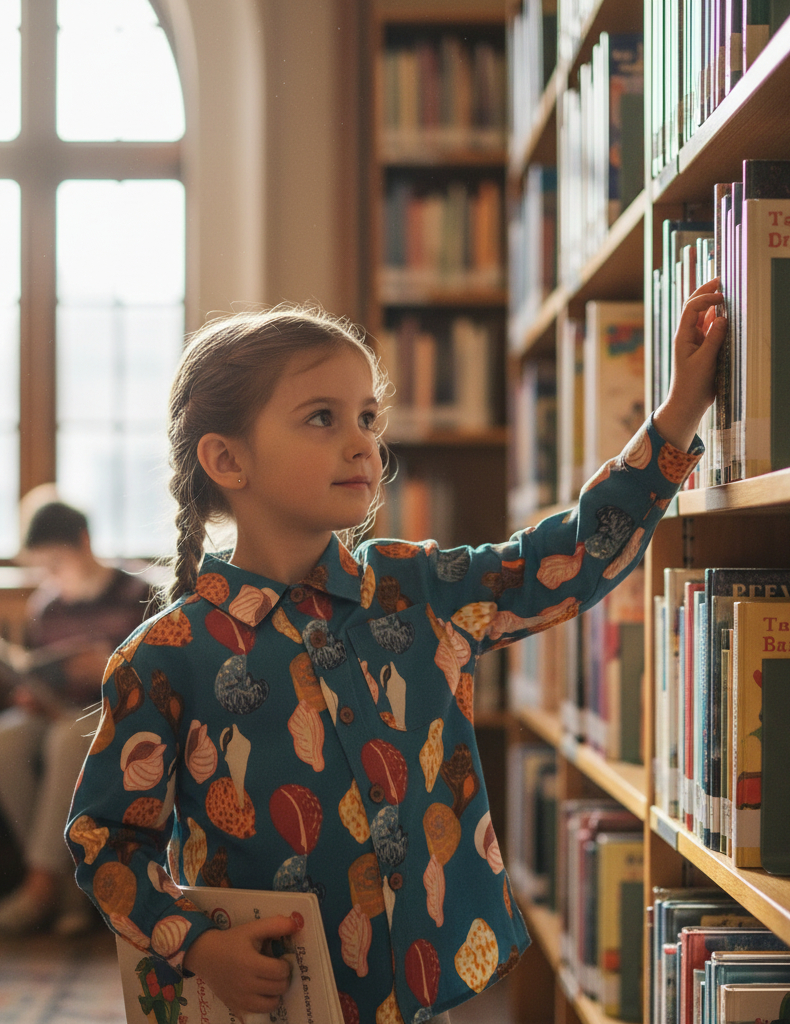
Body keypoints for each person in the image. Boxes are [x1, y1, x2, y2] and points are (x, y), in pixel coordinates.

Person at [66, 282, 727, 1023]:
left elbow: (568, 558)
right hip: (273, 1001)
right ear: (226, 459)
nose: (364, 443)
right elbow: (106, 842)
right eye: (323, 418)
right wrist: (197, 944)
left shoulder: (417, 590)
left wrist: (678, 414)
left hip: (423, 992)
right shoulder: (165, 657)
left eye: (368, 417)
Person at [0, 499, 150, 941]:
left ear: (83, 544)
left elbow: (158, 673)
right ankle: (69, 888)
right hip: (57, 710)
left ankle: (39, 888)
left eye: (55, 562)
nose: (50, 575)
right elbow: (39, 667)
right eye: (41, 566)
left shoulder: (138, 592)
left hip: (115, 713)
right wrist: (30, 692)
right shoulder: (49, 606)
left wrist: (108, 666)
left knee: (69, 738)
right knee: (0, 737)